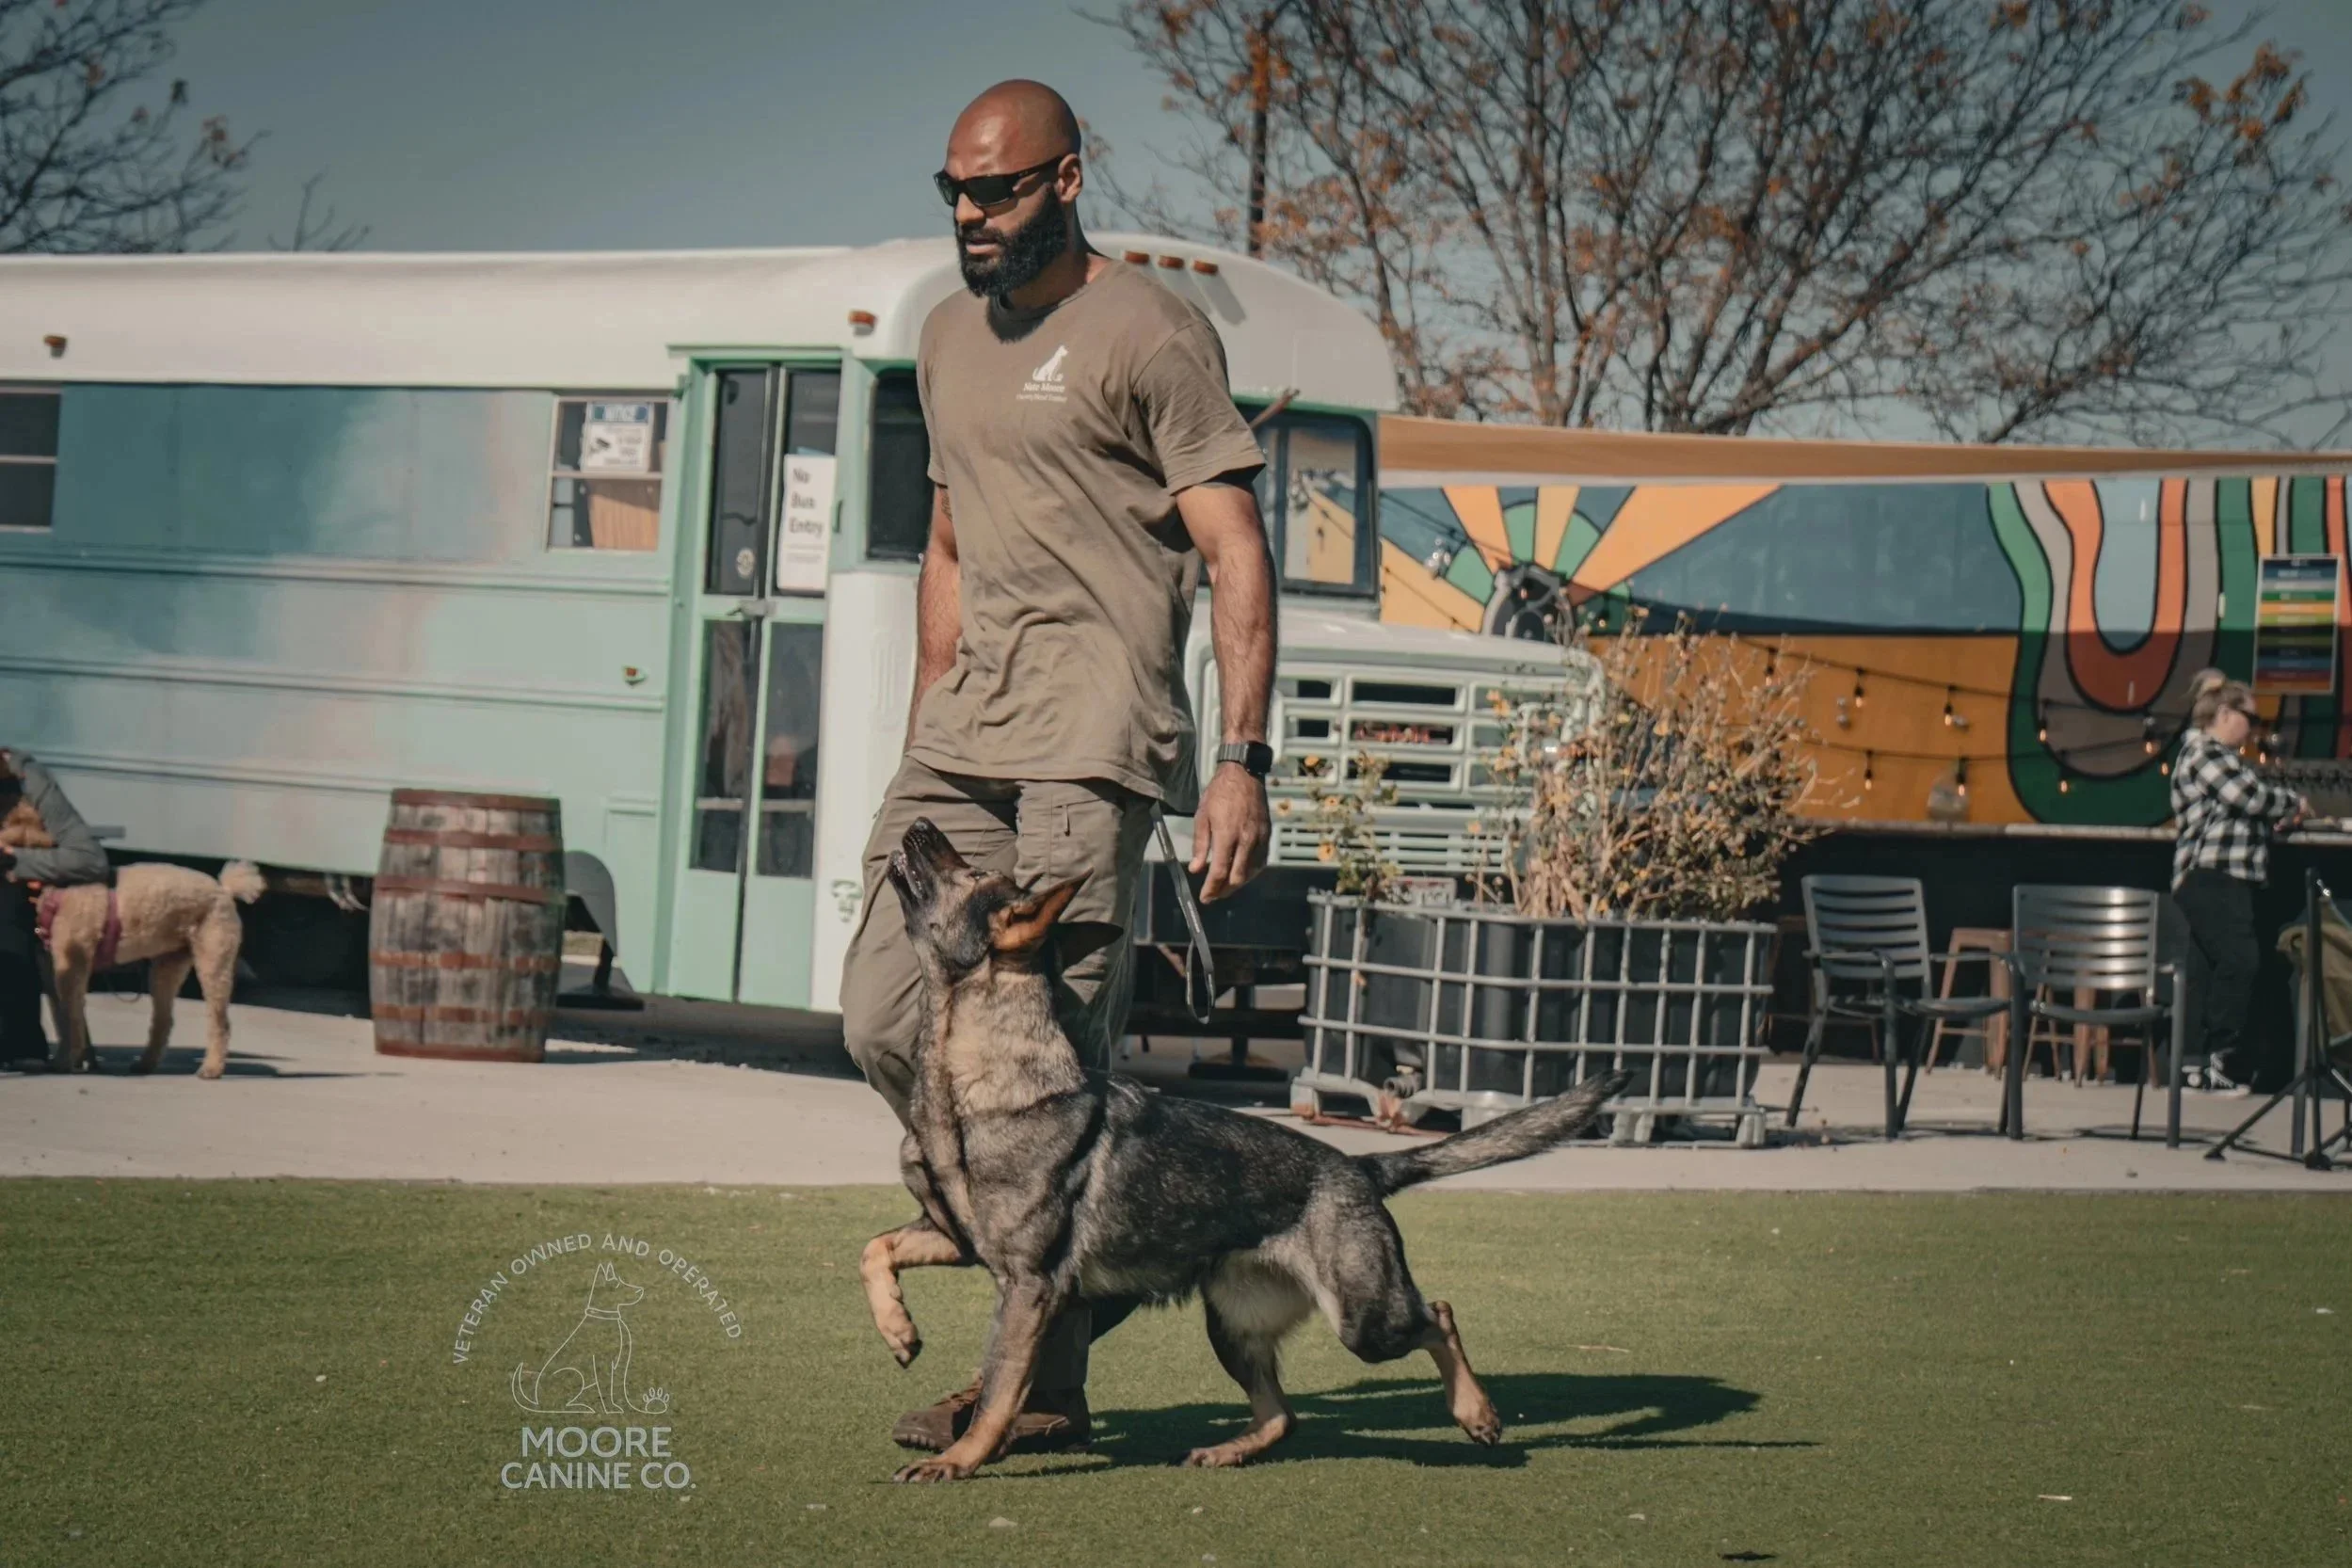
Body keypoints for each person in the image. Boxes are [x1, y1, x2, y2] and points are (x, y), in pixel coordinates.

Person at [838, 79, 1278, 1455]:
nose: (970, 215)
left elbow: (1233, 551)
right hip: (963, 733)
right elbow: (951, 545)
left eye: (999, 190)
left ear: (1068, 179)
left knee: (1054, 1064)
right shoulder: (941, 335)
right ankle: (1047, 1255)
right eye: (953, 192)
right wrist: (923, 723)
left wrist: (1241, 761)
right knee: (876, 1012)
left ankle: (1045, 1387)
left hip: (1092, 743)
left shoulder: (1148, 329)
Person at [2170, 671, 2306, 1096]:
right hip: (2212, 876)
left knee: (2217, 969)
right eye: (2250, 717)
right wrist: (2295, 803)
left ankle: (2209, 1065)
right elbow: (2251, 797)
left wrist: (2278, 814)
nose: (2255, 728)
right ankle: (2224, 1062)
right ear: (2226, 713)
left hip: (2223, 878)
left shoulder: (2219, 757)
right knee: (2241, 962)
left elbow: (2245, 806)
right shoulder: (2205, 753)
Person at [0, 749, 110, 1068]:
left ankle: (20, 1041)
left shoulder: (28, 781)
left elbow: (89, 860)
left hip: (18, 903)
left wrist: (13, 860)